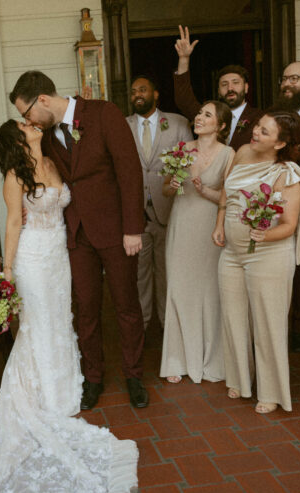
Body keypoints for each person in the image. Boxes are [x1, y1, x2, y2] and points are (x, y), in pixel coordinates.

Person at [0, 119, 138, 493]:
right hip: (31, 255)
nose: (31, 124)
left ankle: (64, 389)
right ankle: (42, 394)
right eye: (23, 124)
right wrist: (9, 269)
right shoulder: (16, 174)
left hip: (60, 253)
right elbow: (13, 221)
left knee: (61, 320)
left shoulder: (53, 161)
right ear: (17, 139)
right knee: (37, 323)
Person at [9, 70, 148, 410]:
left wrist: (132, 228)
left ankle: (133, 375)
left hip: (116, 231)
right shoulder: (45, 135)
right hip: (75, 234)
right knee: (85, 309)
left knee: (126, 305)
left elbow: (129, 171)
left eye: (26, 113)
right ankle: (94, 378)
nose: (27, 121)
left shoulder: (104, 114)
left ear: (42, 100)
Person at [212, 110, 300, 413]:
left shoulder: (287, 174)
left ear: (280, 143)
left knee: (268, 324)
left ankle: (270, 391)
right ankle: (241, 379)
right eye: (258, 126)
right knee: (233, 316)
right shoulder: (241, 152)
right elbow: (227, 195)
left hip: (268, 257)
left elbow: (289, 225)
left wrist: (263, 236)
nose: (255, 132)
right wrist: (219, 223)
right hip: (231, 254)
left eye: (265, 132)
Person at [160, 101, 234, 384]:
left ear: (222, 125)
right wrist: (174, 186)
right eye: (199, 112)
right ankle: (178, 359)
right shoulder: (182, 149)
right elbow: (166, 190)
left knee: (209, 292)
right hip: (182, 226)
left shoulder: (229, 154)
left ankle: (210, 360)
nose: (199, 117)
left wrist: (206, 192)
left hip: (210, 228)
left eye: (207, 115)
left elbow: (228, 198)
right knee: (180, 290)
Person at [126, 74, 193, 331]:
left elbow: (189, 163)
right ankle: (141, 327)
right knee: (139, 275)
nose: (137, 95)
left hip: (170, 211)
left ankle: (169, 329)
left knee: (168, 274)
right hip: (136, 215)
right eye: (133, 92)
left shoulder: (177, 123)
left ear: (155, 94)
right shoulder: (123, 125)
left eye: (143, 90)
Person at [174, 26, 262, 150]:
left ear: (246, 87)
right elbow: (184, 100)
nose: (230, 88)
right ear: (219, 91)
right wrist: (183, 59)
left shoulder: (259, 117)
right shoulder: (208, 115)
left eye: (235, 83)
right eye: (224, 84)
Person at [276, 61, 300, 352]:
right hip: (284, 202)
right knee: (293, 264)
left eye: (295, 78)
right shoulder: (275, 116)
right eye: (285, 79)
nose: (288, 84)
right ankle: (291, 326)